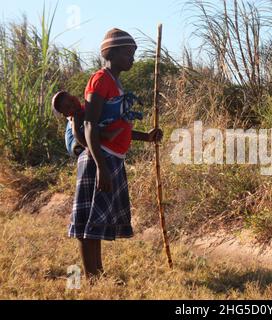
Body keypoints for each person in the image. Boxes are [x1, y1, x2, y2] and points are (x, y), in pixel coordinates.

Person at [68, 28, 163, 280]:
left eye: (133, 53)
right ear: (112, 53)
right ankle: (91, 277)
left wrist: (147, 136)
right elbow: (90, 125)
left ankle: (96, 274)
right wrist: (101, 166)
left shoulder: (115, 82)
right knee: (90, 222)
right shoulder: (100, 80)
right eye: (128, 53)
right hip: (99, 158)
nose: (132, 58)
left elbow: (116, 127)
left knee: (96, 221)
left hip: (111, 158)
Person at [51, 91, 143, 157]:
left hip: (87, 136)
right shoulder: (74, 118)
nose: (73, 105)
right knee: (87, 127)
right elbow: (76, 133)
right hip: (75, 145)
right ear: (66, 114)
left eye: (72, 100)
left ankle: (107, 133)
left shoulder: (84, 109)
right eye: (68, 107)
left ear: (75, 97)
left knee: (93, 123)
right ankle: (106, 135)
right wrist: (87, 147)